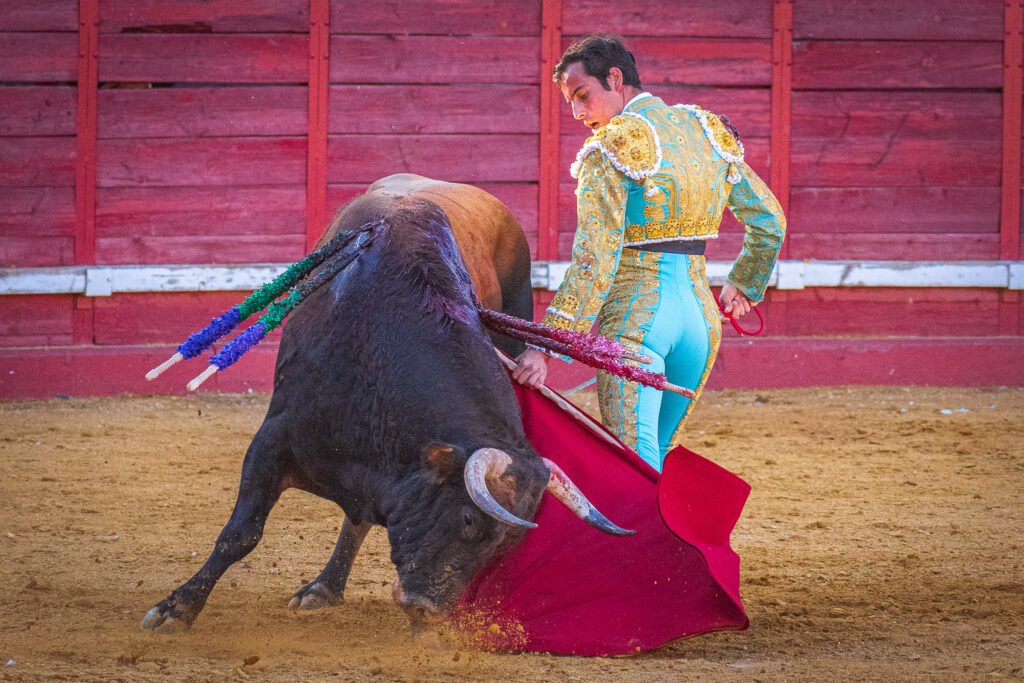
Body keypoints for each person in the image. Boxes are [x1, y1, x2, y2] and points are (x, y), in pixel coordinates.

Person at [512, 35, 786, 472]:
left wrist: (546, 348)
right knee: (657, 460)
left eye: (582, 96)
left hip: (638, 324)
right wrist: (746, 283)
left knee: (635, 468)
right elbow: (769, 220)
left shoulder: (612, 145)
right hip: (701, 324)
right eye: (571, 103)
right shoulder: (706, 130)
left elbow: (595, 260)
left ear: (615, 78)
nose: (578, 114)